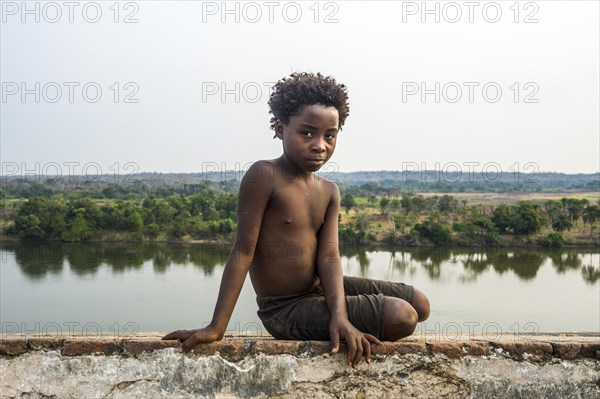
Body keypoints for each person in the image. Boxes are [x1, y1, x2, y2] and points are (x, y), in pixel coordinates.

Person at [162, 72, 430, 366]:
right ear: (280, 128)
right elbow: (243, 252)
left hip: (317, 290)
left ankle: (340, 313)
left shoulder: (329, 191)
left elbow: (329, 257)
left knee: (420, 303)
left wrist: (340, 316)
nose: (320, 145)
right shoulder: (264, 176)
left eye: (330, 135)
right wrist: (216, 328)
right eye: (307, 133)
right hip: (284, 310)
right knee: (402, 316)